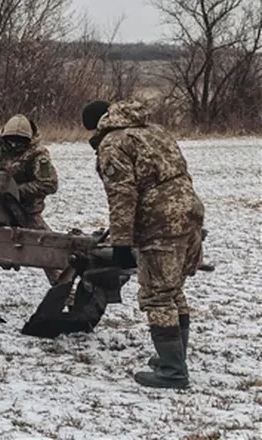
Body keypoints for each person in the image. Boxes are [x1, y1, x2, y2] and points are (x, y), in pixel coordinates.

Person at [82, 99, 205, 389]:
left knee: (157, 295)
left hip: (159, 222)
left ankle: (173, 372)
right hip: (189, 211)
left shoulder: (114, 143)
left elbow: (122, 195)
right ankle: (173, 359)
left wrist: (121, 244)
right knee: (172, 290)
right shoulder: (153, 130)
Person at [0, 114, 64, 312]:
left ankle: (63, 291)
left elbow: (50, 184)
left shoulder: (38, 155)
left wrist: (16, 191)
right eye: (11, 140)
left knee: (47, 248)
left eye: (19, 141)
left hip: (27, 212)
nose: (15, 145)